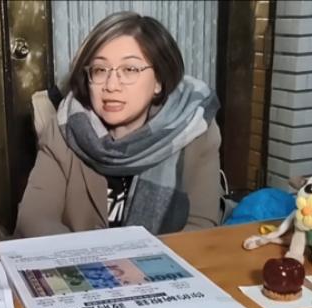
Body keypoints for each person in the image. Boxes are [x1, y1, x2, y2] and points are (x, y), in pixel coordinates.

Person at [15, 12, 222, 238]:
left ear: (159, 81)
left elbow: (200, 228)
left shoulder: (194, 131)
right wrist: (95, 257)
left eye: (130, 69)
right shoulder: (65, 130)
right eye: (100, 70)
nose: (112, 85)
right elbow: (34, 219)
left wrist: (139, 257)